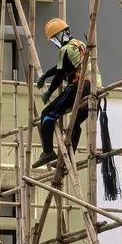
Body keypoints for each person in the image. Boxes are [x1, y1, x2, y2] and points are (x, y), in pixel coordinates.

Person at [32, 18, 101, 169]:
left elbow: (59, 74)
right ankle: (67, 159)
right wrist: (45, 76)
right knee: (75, 123)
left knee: (47, 115)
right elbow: (61, 68)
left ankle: (48, 152)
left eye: (56, 38)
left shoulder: (64, 50)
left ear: (63, 34)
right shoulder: (79, 45)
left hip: (80, 87)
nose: (56, 42)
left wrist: (49, 91)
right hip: (95, 89)